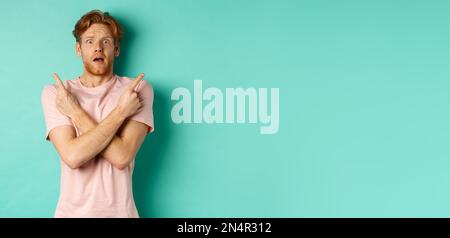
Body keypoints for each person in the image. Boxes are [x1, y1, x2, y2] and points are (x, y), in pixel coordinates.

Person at [41, 9, 154, 218]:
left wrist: (75, 111)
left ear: (117, 49)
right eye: (90, 41)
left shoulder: (137, 90)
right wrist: (121, 113)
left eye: (106, 42)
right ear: (78, 49)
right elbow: (73, 156)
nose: (98, 48)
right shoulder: (57, 94)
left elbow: (122, 157)